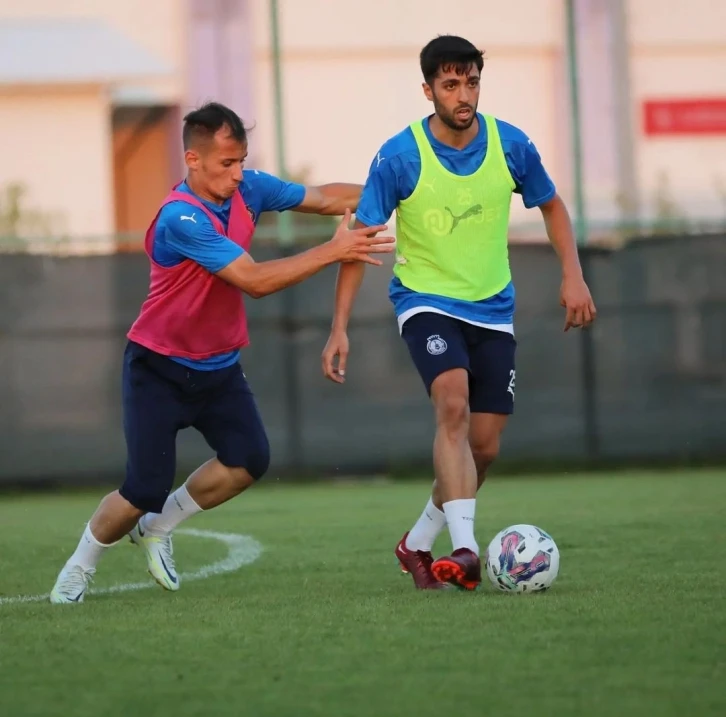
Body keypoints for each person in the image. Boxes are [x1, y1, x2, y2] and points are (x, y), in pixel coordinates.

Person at [50, 102, 394, 603]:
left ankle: (158, 526)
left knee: (248, 460)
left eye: (241, 162)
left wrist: (394, 188)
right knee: (142, 488)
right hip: (158, 368)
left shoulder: (249, 188)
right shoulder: (181, 218)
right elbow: (253, 280)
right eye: (226, 163)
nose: (237, 174)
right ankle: (79, 567)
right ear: (192, 159)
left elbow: (324, 198)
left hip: (218, 367)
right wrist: (332, 250)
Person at [321, 36, 596, 590]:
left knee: (483, 448)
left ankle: (417, 543)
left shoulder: (510, 144)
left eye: (471, 82)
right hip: (425, 301)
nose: (463, 94)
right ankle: (467, 550)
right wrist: (339, 327)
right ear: (428, 91)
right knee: (452, 404)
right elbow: (359, 243)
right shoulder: (399, 156)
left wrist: (573, 274)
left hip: (492, 308)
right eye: (450, 84)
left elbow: (551, 205)